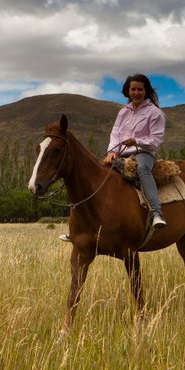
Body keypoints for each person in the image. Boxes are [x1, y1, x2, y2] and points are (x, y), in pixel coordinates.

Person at [62, 73, 167, 243]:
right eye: (133, 89)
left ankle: (156, 213)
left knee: (142, 170)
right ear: (128, 91)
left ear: (146, 91)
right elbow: (115, 133)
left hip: (144, 153)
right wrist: (111, 151)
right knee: (92, 177)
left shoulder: (155, 113)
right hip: (120, 153)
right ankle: (81, 229)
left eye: (140, 89)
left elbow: (156, 139)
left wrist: (137, 141)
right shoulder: (123, 112)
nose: (136, 92)